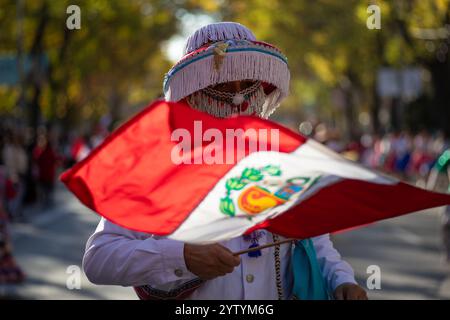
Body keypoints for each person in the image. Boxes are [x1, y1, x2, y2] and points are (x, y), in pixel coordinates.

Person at [83, 22, 367, 300]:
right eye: (221, 84)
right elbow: (99, 258)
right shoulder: (155, 168)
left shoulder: (284, 163)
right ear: (192, 93)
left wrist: (341, 280)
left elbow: (316, 242)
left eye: (247, 83)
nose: (238, 97)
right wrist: (181, 257)